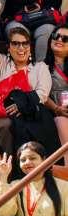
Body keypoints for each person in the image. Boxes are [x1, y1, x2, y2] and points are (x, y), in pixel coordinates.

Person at [0, 0, 60, 155]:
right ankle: (6, 168)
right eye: (15, 43)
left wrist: (22, 105)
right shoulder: (0, 64)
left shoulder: (40, 68)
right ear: (8, 47)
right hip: (4, 117)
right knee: (7, 125)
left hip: (33, 117)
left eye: (25, 43)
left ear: (30, 47)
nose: (21, 48)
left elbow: (42, 94)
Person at [0, 142, 68, 216]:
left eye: (32, 158)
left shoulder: (64, 186)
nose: (27, 162)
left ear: (44, 159)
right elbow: (4, 212)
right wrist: (3, 178)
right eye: (23, 160)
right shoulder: (16, 186)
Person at [44, 25, 68, 165]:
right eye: (56, 36)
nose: (59, 40)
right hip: (54, 113)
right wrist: (56, 109)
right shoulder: (41, 66)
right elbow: (41, 94)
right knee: (61, 121)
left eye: (65, 38)